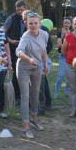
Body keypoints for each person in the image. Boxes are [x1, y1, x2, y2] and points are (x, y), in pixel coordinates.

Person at [15, 11, 48, 139]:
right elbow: (18, 51)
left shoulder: (44, 34)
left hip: (37, 67)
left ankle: (34, 119)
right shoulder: (26, 37)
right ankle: (25, 127)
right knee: (25, 96)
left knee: (35, 94)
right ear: (27, 24)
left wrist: (45, 62)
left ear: (39, 23)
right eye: (30, 24)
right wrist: (29, 59)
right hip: (24, 67)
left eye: (35, 23)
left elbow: (43, 49)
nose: (33, 26)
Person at [3, 0, 27, 101]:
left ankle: (22, 95)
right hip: (13, 49)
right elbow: (3, 32)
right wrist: (11, 41)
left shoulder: (28, 18)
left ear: (25, 9)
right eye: (18, 10)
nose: (20, 12)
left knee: (23, 73)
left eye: (21, 10)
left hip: (25, 50)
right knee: (17, 73)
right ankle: (16, 96)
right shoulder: (11, 18)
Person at [54, 17, 72, 99]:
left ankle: (67, 92)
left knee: (69, 76)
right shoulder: (59, 32)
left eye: (68, 23)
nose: (66, 24)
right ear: (63, 23)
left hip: (71, 57)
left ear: (70, 24)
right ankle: (56, 93)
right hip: (62, 56)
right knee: (61, 75)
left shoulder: (72, 33)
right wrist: (65, 36)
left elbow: (72, 46)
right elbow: (60, 45)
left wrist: (66, 35)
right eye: (65, 23)